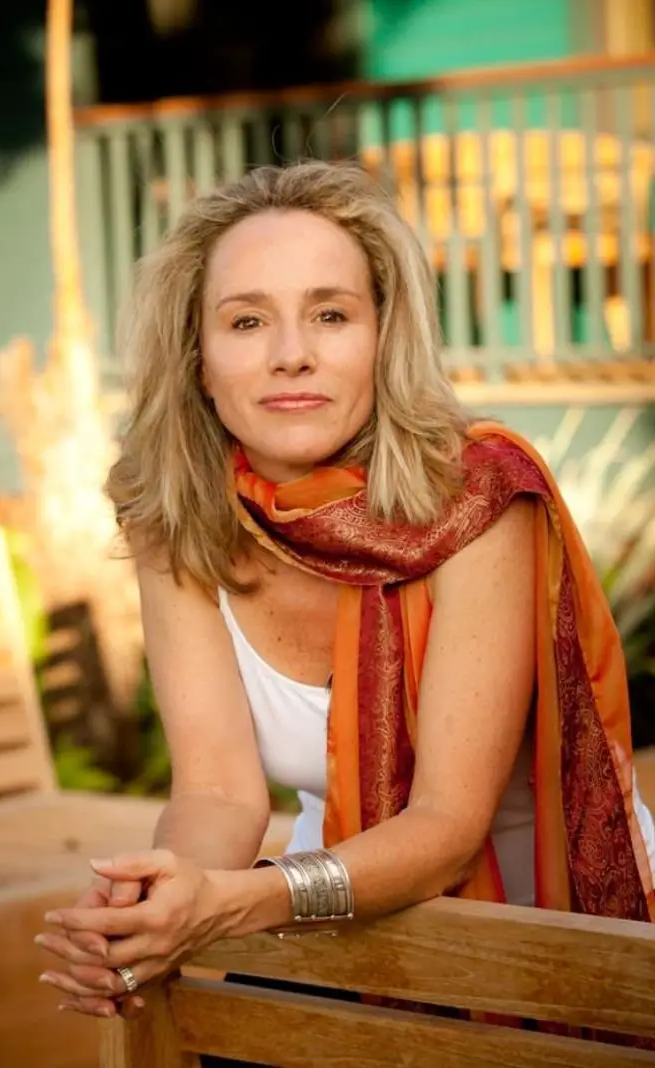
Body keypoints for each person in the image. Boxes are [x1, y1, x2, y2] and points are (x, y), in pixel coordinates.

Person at [35, 161, 655, 1053]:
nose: (293, 352)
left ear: (383, 338)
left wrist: (241, 899)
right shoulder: (179, 517)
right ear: (199, 360)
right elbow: (217, 791)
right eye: (247, 320)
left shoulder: (477, 502)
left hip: (537, 921)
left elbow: (446, 828)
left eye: (331, 314)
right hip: (334, 913)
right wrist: (157, 902)